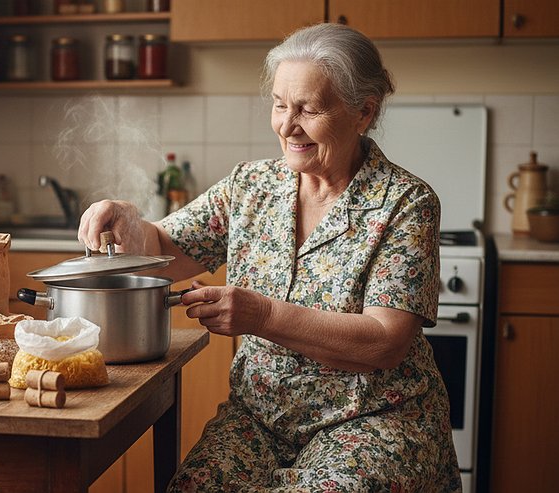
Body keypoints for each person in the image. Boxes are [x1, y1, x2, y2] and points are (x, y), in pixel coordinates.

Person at [77, 23, 461, 492]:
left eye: (308, 109)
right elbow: (164, 252)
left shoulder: (406, 202)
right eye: (279, 105)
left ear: (364, 112)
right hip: (258, 422)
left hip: (372, 424)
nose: (286, 125)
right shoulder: (251, 186)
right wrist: (129, 220)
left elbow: (385, 342)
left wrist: (261, 314)